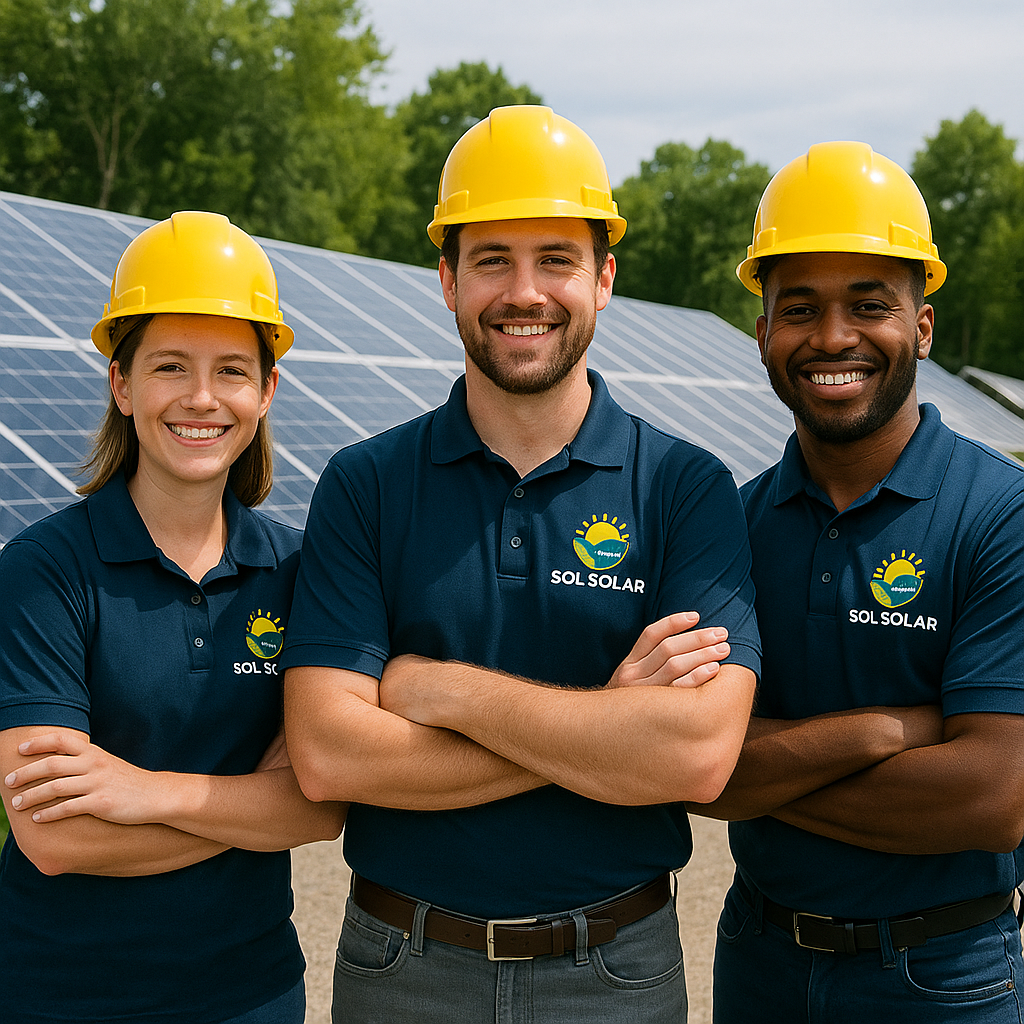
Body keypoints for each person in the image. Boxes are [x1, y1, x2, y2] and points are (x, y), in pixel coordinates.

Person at [281, 104, 760, 1024]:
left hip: (616, 971)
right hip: (401, 969)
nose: (525, 291)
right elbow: (330, 751)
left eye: (557, 260)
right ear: (447, 281)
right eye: (492, 259)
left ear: (605, 278)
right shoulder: (366, 484)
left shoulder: (687, 488)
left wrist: (442, 692)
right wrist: (611, 728)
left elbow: (696, 755)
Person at [695, 141, 1024, 1023]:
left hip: (945, 978)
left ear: (920, 325)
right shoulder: (726, 523)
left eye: (869, 305)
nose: (833, 337)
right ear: (763, 333)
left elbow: (994, 798)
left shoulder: (1002, 513)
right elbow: (702, 773)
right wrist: (887, 730)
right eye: (799, 308)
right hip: (759, 965)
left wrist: (771, 763)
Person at [0, 211, 345, 1024]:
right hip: (62, 996)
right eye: (168, 367)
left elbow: (322, 805)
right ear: (121, 383)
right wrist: (254, 805)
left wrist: (140, 790)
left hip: (251, 994)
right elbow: (56, 838)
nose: (201, 398)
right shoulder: (42, 572)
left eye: (232, 369)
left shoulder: (303, 574)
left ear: (266, 389)